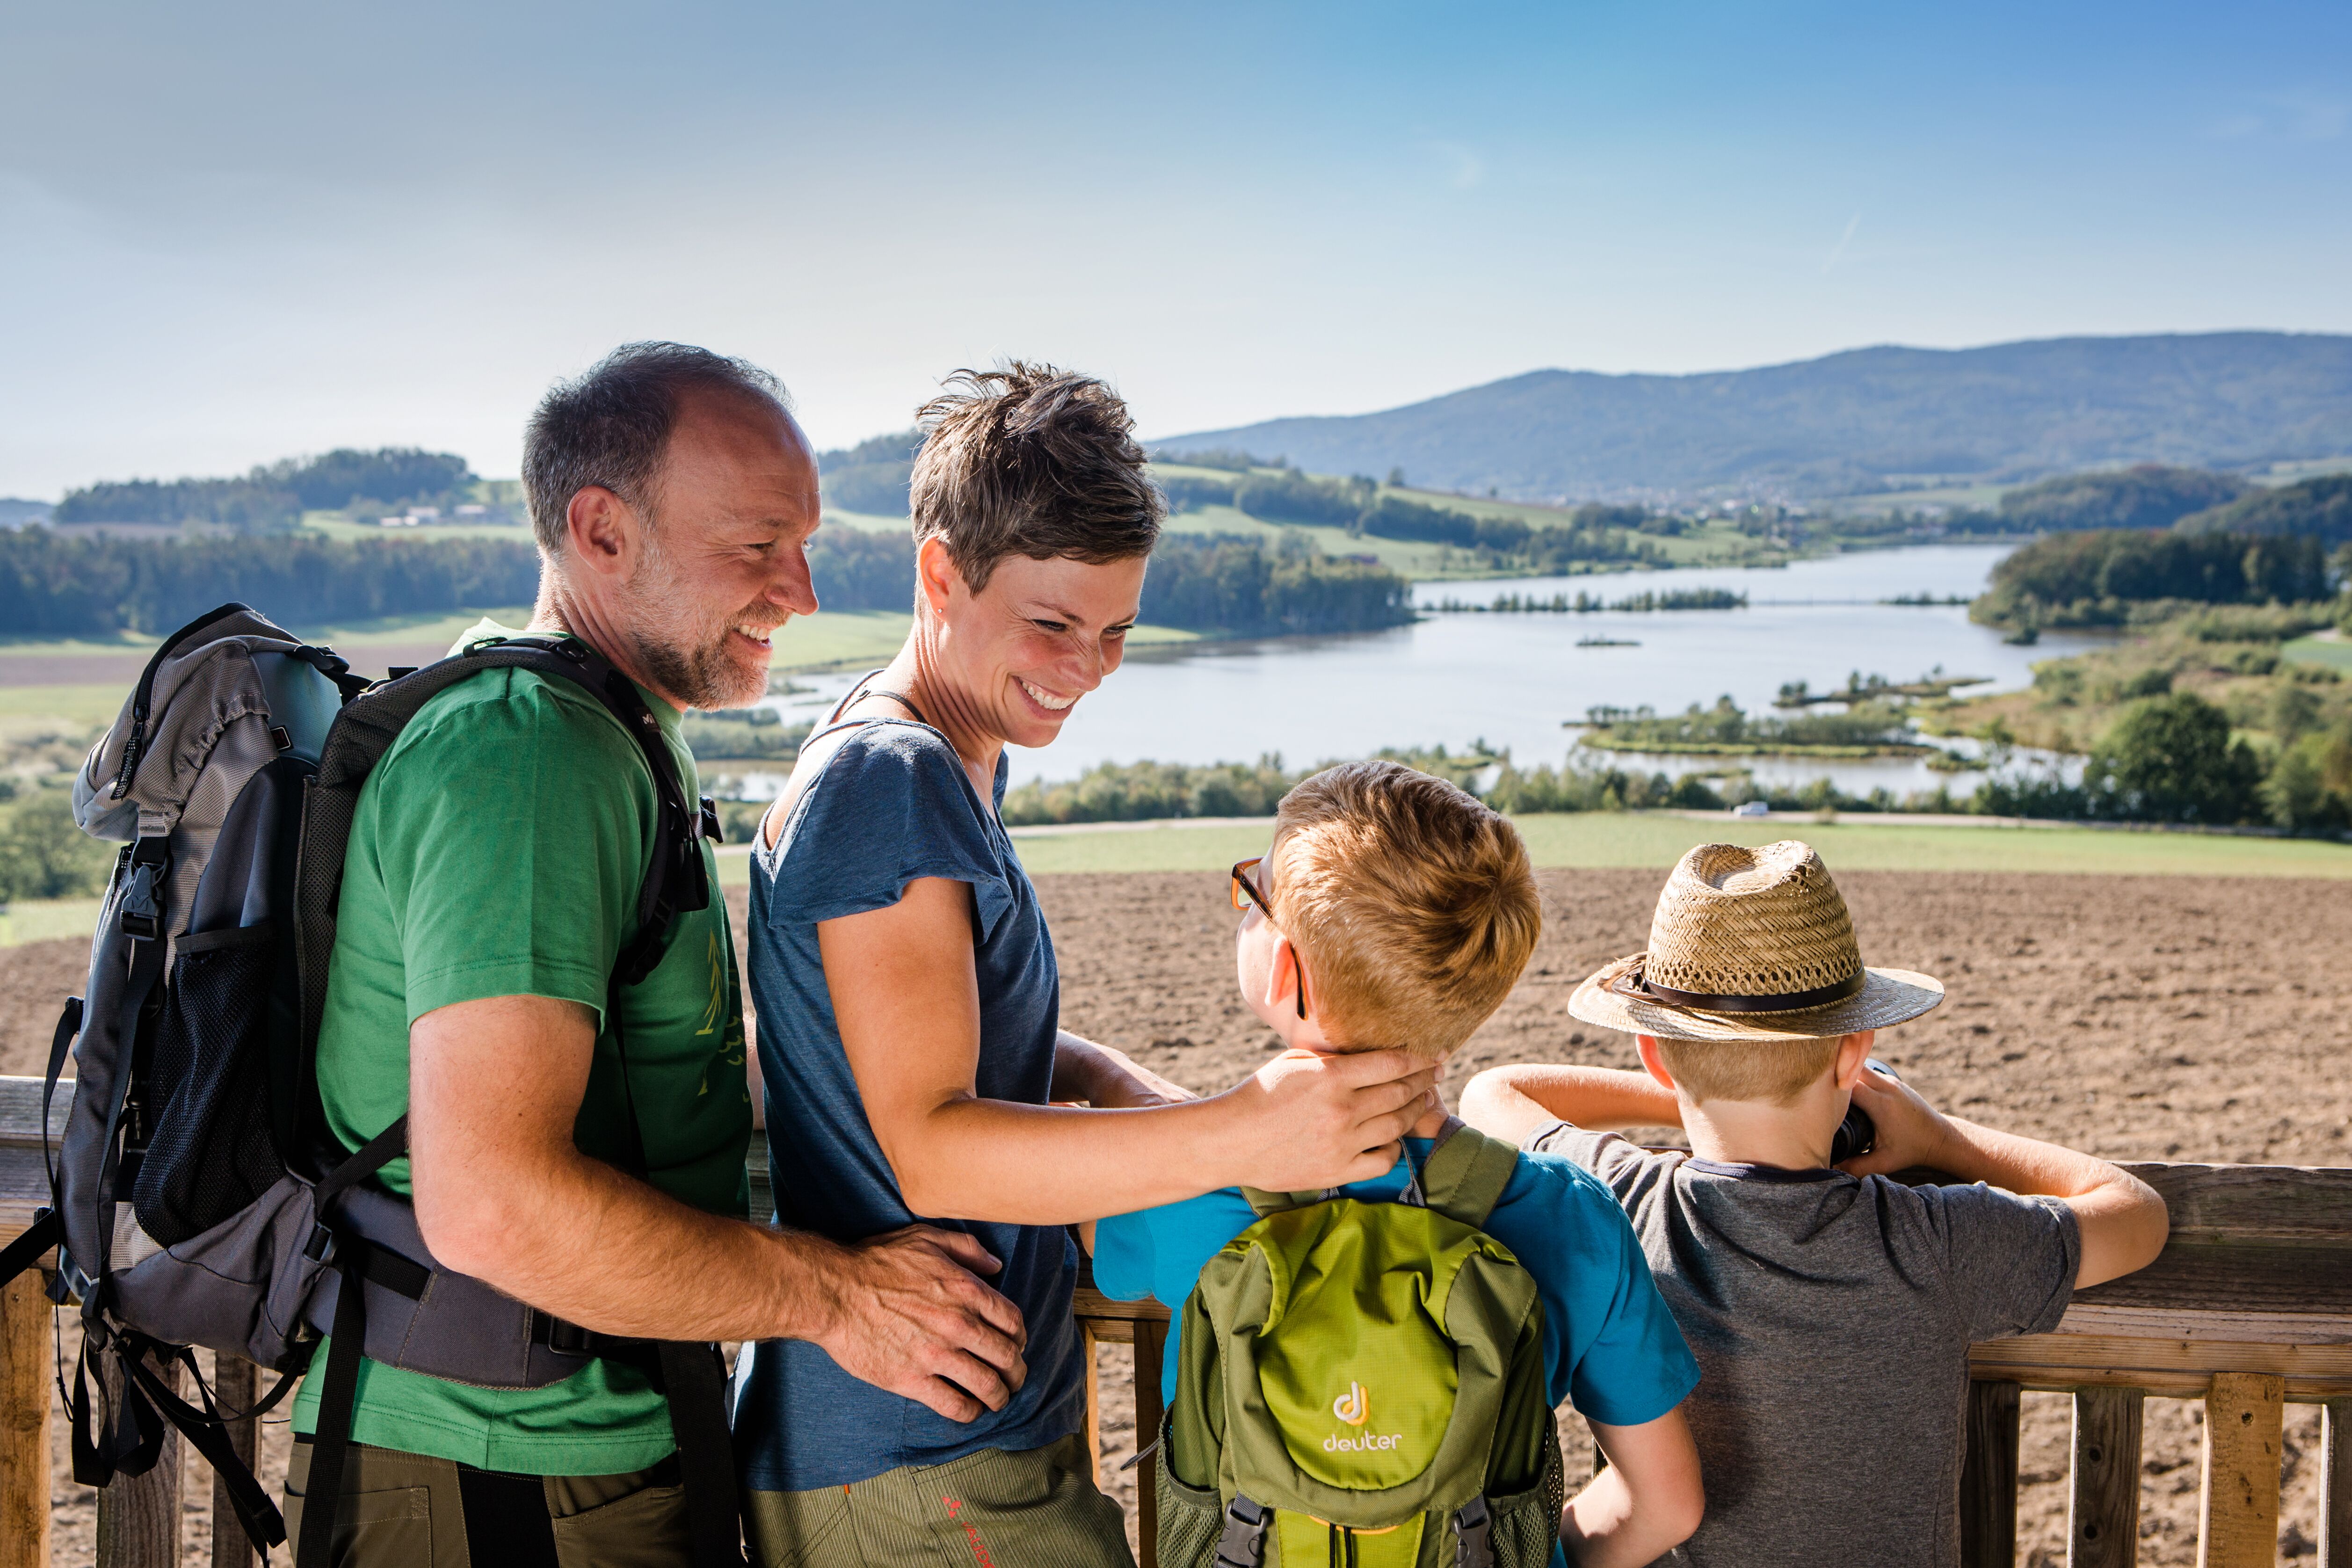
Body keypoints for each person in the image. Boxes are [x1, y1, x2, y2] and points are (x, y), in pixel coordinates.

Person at [285, 343, 1032, 1564]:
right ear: (602, 531)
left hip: (564, 1450)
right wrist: (840, 1300)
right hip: (498, 1475)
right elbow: (491, 1202)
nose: (797, 592)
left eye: (803, 544)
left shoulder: (606, 731)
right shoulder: (529, 760)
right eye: (754, 547)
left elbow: (628, 1089)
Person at [737, 366, 1444, 1566]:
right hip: (916, 1457)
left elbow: (976, 1045)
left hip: (953, 1435)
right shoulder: (889, 783)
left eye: (1116, 630)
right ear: (939, 574)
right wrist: (1240, 1132)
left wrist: (1138, 1098)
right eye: (1053, 623)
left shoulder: (950, 759)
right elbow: (932, 1138)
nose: (1086, 667)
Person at [1461, 839, 2171, 1568]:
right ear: (1853, 1054)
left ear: (1653, 1054)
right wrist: (1940, 1137)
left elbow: (1492, 1095)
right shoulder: (1932, 1242)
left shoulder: (1625, 1201)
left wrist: (1698, 1088)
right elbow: (2138, 1215)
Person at [1092, 762, 1707, 1568]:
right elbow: (1667, 1504)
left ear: (1286, 971)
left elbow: (1070, 1217)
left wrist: (1089, 1072)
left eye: (1254, 892)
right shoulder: (1572, 1216)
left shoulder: (1188, 1187)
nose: (1243, 903)